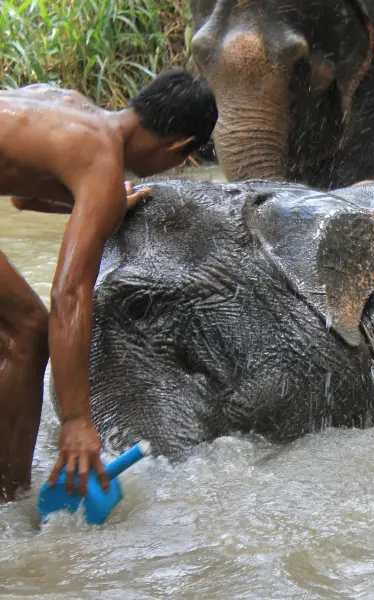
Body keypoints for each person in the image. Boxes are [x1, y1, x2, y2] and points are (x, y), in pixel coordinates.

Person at [0, 68, 217, 502]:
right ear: (178, 148)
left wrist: (100, 202)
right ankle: (9, 500)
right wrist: (77, 420)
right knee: (26, 329)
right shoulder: (101, 159)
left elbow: (22, 196)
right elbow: (69, 294)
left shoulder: (71, 104)